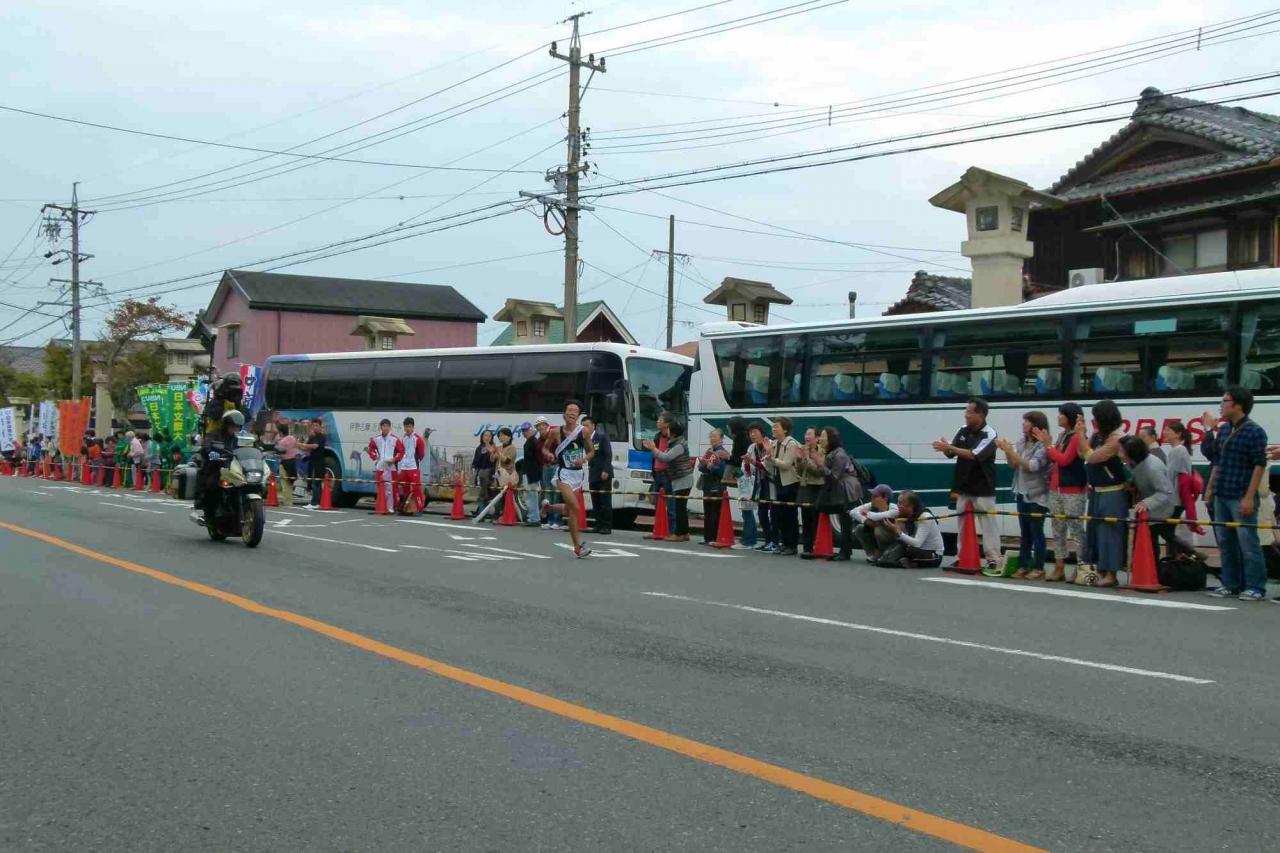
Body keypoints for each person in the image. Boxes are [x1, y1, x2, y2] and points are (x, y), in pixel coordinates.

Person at [1203, 385, 1269, 601]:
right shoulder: (1224, 430)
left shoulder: (1254, 431)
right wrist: (1210, 488)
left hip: (1241, 494)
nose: (1221, 405)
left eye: (1225, 400)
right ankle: (1231, 584)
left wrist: (1249, 497)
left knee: (1248, 543)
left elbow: (1259, 465)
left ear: (1238, 405)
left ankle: (1255, 586)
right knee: (1226, 542)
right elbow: (1217, 462)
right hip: (1222, 492)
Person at [932, 397, 1000, 570]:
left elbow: (974, 455)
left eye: (969, 412)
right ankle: (962, 556)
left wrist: (951, 447)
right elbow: (951, 453)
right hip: (963, 486)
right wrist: (945, 447)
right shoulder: (962, 430)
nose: (966, 415)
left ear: (981, 414)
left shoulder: (990, 434)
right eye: (966, 411)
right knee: (962, 524)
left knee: (988, 524)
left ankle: (993, 559)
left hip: (983, 487)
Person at [995, 411, 1051, 579]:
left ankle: (1039, 567)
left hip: (1037, 495)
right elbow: (1013, 465)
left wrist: (1011, 452)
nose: (1023, 424)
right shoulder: (1022, 442)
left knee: (1036, 531)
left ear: (1036, 425)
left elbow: (1032, 466)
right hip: (1021, 492)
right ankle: (1024, 564)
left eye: (1027, 421)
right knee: (1025, 532)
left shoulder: (1042, 445)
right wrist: (1007, 451)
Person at [1036, 402, 1087, 583]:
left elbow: (1065, 460)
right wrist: (1048, 445)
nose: (1058, 417)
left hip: (1073, 489)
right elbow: (1054, 458)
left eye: (1061, 414)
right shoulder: (1061, 435)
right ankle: (1059, 567)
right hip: (1055, 487)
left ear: (1070, 417)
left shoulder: (1077, 437)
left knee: (1076, 529)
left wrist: (1049, 446)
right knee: (1058, 529)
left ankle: (1082, 567)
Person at [1080, 399, 1127, 588]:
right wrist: (1086, 435)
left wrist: (1079, 434)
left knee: (1110, 532)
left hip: (1112, 491)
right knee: (1095, 532)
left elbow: (1092, 457)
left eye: (1096, 417)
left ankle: (1111, 573)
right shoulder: (1098, 435)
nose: (1094, 421)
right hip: (1096, 491)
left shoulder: (1116, 439)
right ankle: (1099, 568)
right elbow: (1081, 452)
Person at [540, 399, 594, 558]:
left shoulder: (583, 432)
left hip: (578, 474)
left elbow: (591, 452)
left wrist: (583, 459)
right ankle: (578, 547)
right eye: (569, 410)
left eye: (575, 411)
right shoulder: (555, 432)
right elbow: (544, 448)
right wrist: (549, 454)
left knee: (569, 509)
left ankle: (548, 508)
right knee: (575, 508)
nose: (572, 413)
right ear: (564, 414)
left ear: (578, 415)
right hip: (563, 474)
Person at [1120, 435, 1176, 570]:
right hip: (1148, 504)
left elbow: (1166, 491)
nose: (1119, 453)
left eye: (1122, 450)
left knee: (1153, 538)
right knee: (1155, 536)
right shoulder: (1134, 463)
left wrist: (1147, 502)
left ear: (1132, 453)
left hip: (1160, 507)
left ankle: (1153, 570)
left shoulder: (1153, 467)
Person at [643, 413, 694, 542]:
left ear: (674, 432)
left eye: (669, 429)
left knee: (678, 507)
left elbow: (666, 457)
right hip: (679, 479)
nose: (668, 431)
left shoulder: (679, 445)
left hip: (683, 479)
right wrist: (654, 449)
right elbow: (662, 455)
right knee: (680, 507)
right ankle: (684, 533)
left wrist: (653, 448)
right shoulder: (674, 443)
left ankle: (678, 533)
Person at [813, 426, 861, 561]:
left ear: (831, 439)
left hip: (846, 490)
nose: (820, 439)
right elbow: (823, 473)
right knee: (844, 519)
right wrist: (818, 462)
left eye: (823, 436)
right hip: (839, 490)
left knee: (845, 520)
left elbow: (833, 477)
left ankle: (845, 552)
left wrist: (820, 463)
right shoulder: (832, 452)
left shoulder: (839, 454)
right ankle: (845, 551)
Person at [190, 410, 245, 523]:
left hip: (233, 468)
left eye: (237, 427)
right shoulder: (214, 434)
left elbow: (243, 450)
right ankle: (208, 514)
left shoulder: (236, 439)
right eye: (232, 426)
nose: (234, 429)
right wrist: (210, 452)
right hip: (216, 467)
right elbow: (206, 446)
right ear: (226, 425)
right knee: (212, 484)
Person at [1162, 420, 1205, 555]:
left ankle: (1192, 554)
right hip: (1177, 498)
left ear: (1178, 433)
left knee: (1166, 532)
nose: (1165, 433)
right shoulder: (1180, 450)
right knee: (1168, 531)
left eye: (1168, 430)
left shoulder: (1178, 451)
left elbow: (1172, 477)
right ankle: (1177, 557)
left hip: (1175, 499)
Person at [877, 490, 944, 568]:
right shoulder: (905, 515)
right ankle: (897, 560)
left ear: (910, 507)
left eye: (900, 503)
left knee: (911, 550)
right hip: (916, 549)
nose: (897, 505)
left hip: (933, 554)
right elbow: (905, 538)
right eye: (897, 502)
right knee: (898, 545)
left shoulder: (925, 517)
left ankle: (908, 562)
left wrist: (897, 531)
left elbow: (917, 543)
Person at [764, 416, 801, 556]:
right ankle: (784, 543)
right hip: (778, 482)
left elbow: (786, 464)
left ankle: (792, 545)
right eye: (773, 426)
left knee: (790, 515)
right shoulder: (773, 443)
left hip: (790, 483)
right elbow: (769, 466)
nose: (773, 429)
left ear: (785, 429)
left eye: (776, 427)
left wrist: (772, 459)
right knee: (780, 516)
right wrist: (768, 456)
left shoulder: (791, 443)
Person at [739, 422, 771, 550]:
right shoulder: (752, 447)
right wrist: (748, 463)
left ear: (762, 433)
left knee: (775, 513)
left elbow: (767, 466)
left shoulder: (770, 444)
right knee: (762, 513)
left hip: (772, 483)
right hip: (761, 483)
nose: (752, 435)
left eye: (755, 432)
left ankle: (774, 541)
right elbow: (747, 471)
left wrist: (752, 461)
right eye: (750, 433)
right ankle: (768, 540)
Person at [794, 427, 826, 556]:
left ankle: (816, 546)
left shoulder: (822, 451)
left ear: (817, 438)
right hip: (805, 486)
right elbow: (800, 471)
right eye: (805, 434)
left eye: (809, 434)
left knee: (815, 518)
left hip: (817, 487)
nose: (806, 436)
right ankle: (807, 547)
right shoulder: (803, 449)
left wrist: (807, 458)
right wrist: (799, 459)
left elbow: (818, 472)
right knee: (806, 518)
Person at [697, 428, 730, 545]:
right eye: (711, 436)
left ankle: (714, 537)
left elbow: (722, 471)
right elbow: (700, 467)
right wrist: (703, 464)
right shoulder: (709, 451)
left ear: (722, 439)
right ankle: (707, 537)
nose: (712, 439)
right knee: (707, 512)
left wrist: (709, 465)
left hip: (717, 485)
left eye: (715, 436)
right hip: (707, 484)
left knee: (715, 513)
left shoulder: (723, 453)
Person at [851, 484, 899, 561]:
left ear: (885, 498)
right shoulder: (871, 505)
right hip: (880, 535)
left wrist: (867, 514)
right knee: (859, 528)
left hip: (893, 537)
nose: (872, 498)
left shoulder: (894, 508)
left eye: (875, 496)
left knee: (878, 529)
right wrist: (866, 520)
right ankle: (873, 554)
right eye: (872, 495)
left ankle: (885, 553)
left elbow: (877, 516)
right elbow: (853, 512)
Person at [367, 418, 404, 513]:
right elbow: (370, 449)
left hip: (391, 467)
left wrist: (395, 459)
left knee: (392, 488)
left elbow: (401, 451)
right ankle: (382, 506)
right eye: (384, 426)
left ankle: (391, 507)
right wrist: (375, 457)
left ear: (390, 427)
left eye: (387, 426)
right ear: (381, 427)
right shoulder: (376, 439)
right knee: (381, 487)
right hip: (380, 467)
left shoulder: (395, 439)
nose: (385, 428)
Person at [535, 417, 563, 530]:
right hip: (545, 467)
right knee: (547, 493)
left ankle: (557, 520)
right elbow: (539, 456)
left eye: (543, 425)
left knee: (556, 493)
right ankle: (549, 520)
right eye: (538, 426)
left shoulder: (554, 435)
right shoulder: (538, 441)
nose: (541, 428)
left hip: (556, 465)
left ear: (547, 425)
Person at [396, 417, 427, 515]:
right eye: (406, 427)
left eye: (409, 426)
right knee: (404, 489)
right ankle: (405, 508)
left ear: (413, 427)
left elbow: (421, 454)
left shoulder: (418, 439)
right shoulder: (403, 439)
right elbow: (401, 451)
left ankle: (420, 509)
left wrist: (415, 461)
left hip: (413, 468)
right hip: (404, 467)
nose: (407, 429)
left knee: (416, 489)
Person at [298, 419, 328, 508]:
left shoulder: (322, 436)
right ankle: (318, 502)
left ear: (320, 426)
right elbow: (306, 448)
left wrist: (303, 445)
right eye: (313, 425)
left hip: (319, 462)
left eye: (317, 425)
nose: (315, 427)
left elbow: (315, 446)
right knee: (312, 482)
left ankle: (314, 503)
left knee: (316, 483)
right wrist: (298, 445)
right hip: (311, 461)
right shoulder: (311, 437)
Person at [519, 422, 543, 527]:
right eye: (523, 431)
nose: (525, 432)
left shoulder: (534, 442)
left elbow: (539, 458)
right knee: (529, 496)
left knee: (531, 496)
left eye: (527, 430)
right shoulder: (530, 441)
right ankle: (533, 517)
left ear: (532, 430)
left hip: (532, 473)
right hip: (529, 472)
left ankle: (534, 518)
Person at [492, 427, 519, 519]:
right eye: (499, 436)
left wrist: (498, 452)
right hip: (498, 475)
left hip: (507, 475)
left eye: (503, 435)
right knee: (497, 494)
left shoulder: (512, 448)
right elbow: (492, 459)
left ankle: (507, 515)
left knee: (506, 495)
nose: (501, 437)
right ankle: (497, 514)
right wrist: (492, 451)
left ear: (509, 437)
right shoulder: (499, 447)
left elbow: (506, 461)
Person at [471, 429, 497, 516]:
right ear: (482, 437)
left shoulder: (493, 447)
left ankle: (481, 512)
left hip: (489, 473)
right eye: (485, 435)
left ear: (491, 438)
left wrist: (491, 452)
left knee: (484, 493)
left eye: (489, 436)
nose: (487, 437)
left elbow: (494, 462)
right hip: (480, 473)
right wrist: (473, 467)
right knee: (483, 492)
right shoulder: (479, 448)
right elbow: (475, 461)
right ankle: (481, 510)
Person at [275, 418, 298, 505]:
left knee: (285, 484)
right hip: (293, 462)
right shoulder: (293, 438)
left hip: (285, 463)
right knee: (290, 483)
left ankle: (287, 502)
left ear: (281, 432)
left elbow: (279, 454)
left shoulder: (282, 442)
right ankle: (290, 501)